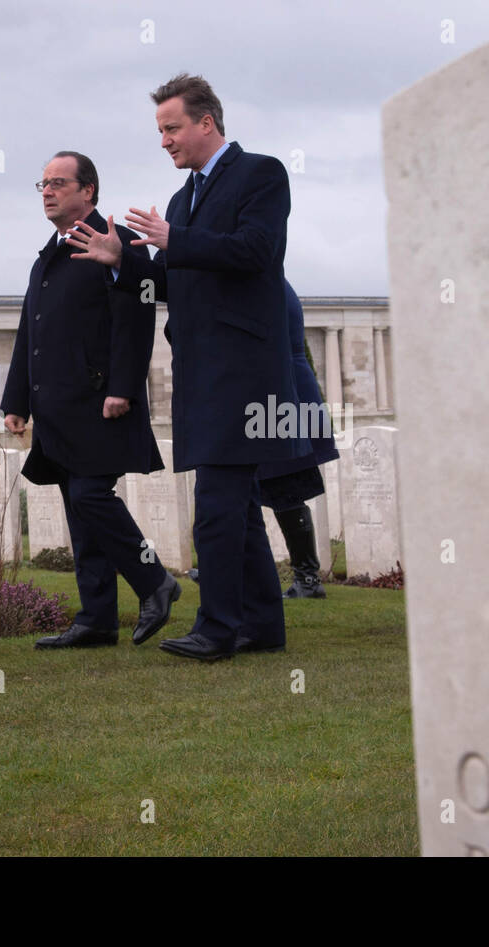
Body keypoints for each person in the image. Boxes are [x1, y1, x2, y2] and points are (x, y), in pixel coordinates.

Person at [68, 74, 309, 661]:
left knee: (218, 507)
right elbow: (171, 284)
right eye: (159, 131)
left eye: (172, 128)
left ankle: (217, 628)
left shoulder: (262, 174)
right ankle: (263, 626)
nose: (165, 141)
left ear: (207, 123)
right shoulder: (181, 200)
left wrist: (176, 238)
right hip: (201, 372)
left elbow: (258, 252)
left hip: (246, 370)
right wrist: (124, 261)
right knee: (239, 507)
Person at [1, 151, 181, 650]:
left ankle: (155, 583)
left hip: (103, 402)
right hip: (59, 408)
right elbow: (29, 333)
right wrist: (16, 399)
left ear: (89, 191)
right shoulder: (49, 255)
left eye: (59, 183)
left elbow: (138, 314)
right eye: (42, 184)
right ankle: (96, 620)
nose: (47, 191)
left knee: (89, 497)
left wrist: (124, 386)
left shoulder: (115, 242)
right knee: (79, 511)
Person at [256, 280, 339, 598]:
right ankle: (305, 577)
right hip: (278, 396)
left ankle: (307, 578)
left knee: (284, 487)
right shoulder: (273, 281)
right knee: (269, 487)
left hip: (280, 397)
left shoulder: (269, 285)